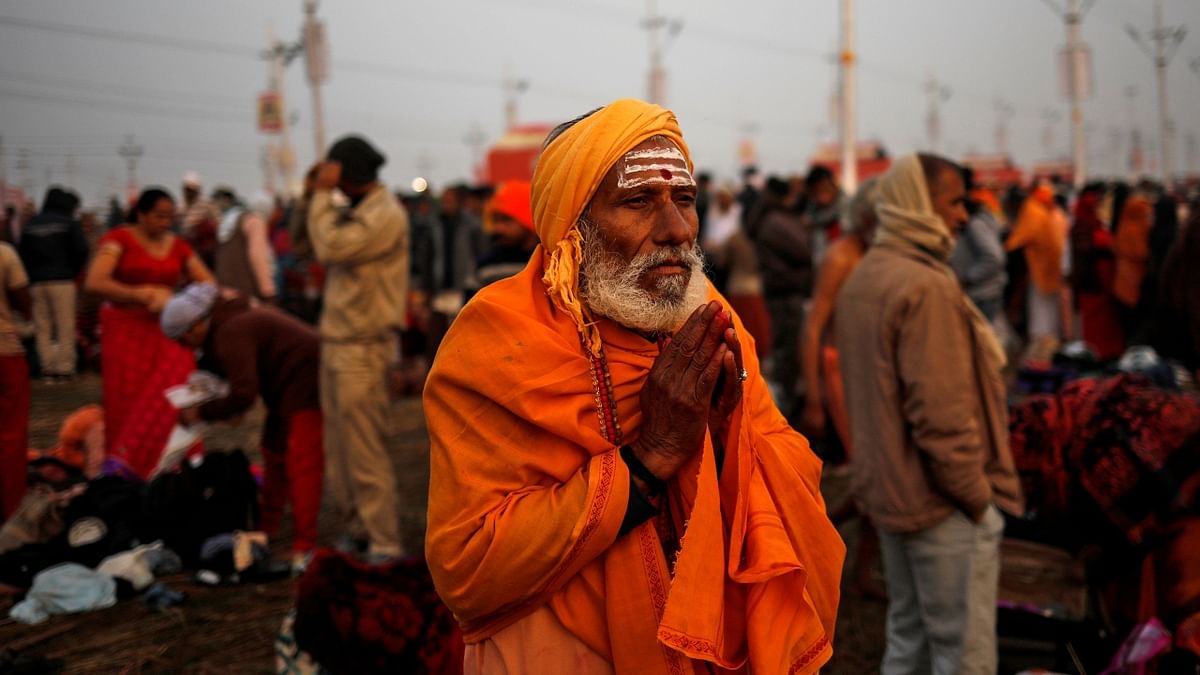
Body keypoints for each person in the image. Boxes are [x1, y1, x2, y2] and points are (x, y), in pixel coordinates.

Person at [425, 99, 843, 674]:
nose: (675, 230)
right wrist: (652, 457)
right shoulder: (496, 339)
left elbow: (789, 466)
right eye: (639, 201)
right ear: (573, 226)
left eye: (685, 200)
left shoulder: (711, 316)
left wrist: (724, 433)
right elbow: (468, 568)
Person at [835, 154, 1024, 675]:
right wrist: (977, 500)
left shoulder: (869, 274)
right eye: (955, 202)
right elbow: (939, 419)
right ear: (918, 204)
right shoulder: (925, 285)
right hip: (939, 501)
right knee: (961, 654)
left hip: (893, 494)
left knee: (909, 639)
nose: (964, 217)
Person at [161, 283, 323, 567]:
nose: (184, 346)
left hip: (307, 382)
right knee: (274, 452)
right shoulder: (229, 320)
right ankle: (266, 529)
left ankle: (305, 546)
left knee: (302, 462)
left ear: (196, 325)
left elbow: (244, 393)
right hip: (288, 384)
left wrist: (202, 412)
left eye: (182, 339)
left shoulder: (230, 332)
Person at [308, 134, 409, 560]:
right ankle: (359, 530)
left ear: (345, 176)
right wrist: (315, 194)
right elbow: (306, 240)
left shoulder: (385, 214)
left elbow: (330, 245)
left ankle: (384, 541)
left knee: (365, 451)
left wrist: (319, 195)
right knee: (340, 451)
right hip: (338, 343)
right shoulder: (349, 209)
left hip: (364, 348)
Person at [83, 187, 214, 478]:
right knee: (128, 400)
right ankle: (127, 468)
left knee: (174, 394)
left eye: (169, 217)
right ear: (140, 214)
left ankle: (176, 465)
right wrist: (139, 294)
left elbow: (208, 284)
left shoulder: (178, 246)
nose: (165, 223)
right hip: (126, 331)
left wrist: (180, 301)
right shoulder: (119, 239)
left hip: (167, 332)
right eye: (158, 216)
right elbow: (95, 281)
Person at [751, 177, 814, 419]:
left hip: (780, 293)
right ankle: (788, 411)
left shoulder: (769, 219)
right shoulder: (777, 222)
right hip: (788, 295)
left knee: (785, 352)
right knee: (790, 353)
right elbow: (804, 250)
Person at [18, 187, 90, 381]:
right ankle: (65, 369)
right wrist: (73, 271)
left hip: (37, 283)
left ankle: (47, 370)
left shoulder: (32, 224)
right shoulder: (68, 223)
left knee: (43, 328)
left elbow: (22, 253)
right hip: (63, 281)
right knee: (65, 326)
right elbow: (82, 249)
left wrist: (32, 275)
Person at [1006, 184, 1069, 344]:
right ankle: (1046, 343)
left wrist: (1006, 248)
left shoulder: (1035, 211)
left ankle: (1042, 344)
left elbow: (1019, 238)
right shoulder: (1050, 213)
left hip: (1040, 269)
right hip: (1045, 267)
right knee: (1047, 309)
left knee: (1041, 309)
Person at [1070, 185, 1124, 359]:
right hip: (1091, 281)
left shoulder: (1095, 222)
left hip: (1101, 282)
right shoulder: (1081, 225)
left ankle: (1107, 353)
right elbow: (1083, 251)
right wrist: (1103, 246)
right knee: (1094, 324)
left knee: (1105, 322)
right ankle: (1095, 355)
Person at [949, 170, 1008, 321]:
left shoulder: (975, 222)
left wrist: (967, 278)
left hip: (982, 295)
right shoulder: (977, 213)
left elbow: (993, 258)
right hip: (979, 294)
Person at [464, 180, 537, 299]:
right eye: (495, 220)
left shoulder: (549, 265)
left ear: (528, 222)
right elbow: (468, 313)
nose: (498, 228)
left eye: (506, 220)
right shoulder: (484, 266)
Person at [0, 241, 32, 518]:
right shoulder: (4, 253)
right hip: (5, 350)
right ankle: (10, 508)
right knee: (10, 434)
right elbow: (23, 299)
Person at [212, 187, 277, 302]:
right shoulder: (255, 221)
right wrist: (268, 291)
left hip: (225, 293)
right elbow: (257, 256)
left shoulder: (231, 221)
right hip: (247, 295)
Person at [1112, 193, 1154, 345]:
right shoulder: (1136, 230)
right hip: (1133, 286)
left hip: (1122, 285)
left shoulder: (1123, 226)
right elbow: (1141, 253)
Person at [178, 172, 220, 268]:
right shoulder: (180, 206)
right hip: (185, 244)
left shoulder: (207, 205)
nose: (189, 193)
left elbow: (217, 223)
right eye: (187, 190)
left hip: (202, 249)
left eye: (192, 190)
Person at [804, 166, 844, 267]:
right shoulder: (810, 216)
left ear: (834, 186)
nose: (822, 194)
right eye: (817, 190)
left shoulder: (850, 214)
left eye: (825, 188)